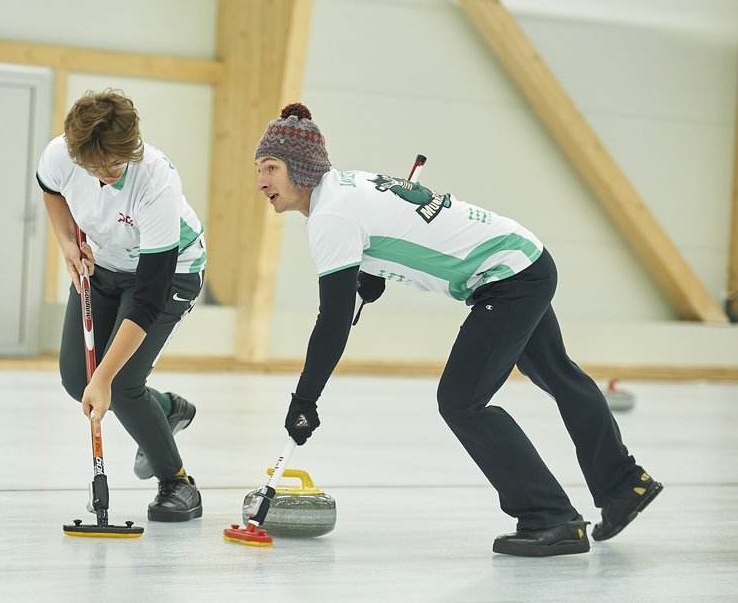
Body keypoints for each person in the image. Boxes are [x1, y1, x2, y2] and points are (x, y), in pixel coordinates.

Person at [254, 102, 662, 556]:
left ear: (304, 170)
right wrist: (371, 269)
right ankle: (626, 486)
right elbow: (394, 225)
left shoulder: (331, 216)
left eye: (272, 168)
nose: (262, 182)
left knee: (462, 400)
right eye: (259, 170)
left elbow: (332, 322)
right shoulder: (347, 186)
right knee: (557, 375)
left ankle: (552, 516)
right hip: (525, 257)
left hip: (507, 277)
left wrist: (305, 399)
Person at [36, 89, 205, 522]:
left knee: (121, 380)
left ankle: (178, 483)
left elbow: (148, 298)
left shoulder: (156, 183)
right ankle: (166, 410)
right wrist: (66, 243)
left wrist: (108, 378)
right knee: (79, 380)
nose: (112, 170)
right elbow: (50, 190)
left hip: (170, 274)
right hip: (103, 267)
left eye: (119, 161)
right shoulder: (60, 155)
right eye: (101, 164)